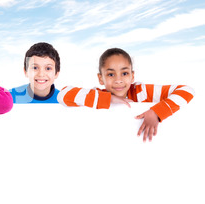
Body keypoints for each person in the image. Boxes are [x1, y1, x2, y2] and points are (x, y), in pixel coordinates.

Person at [57, 48, 195, 142]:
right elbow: (62, 95)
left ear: (132, 75)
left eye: (124, 73)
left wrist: (157, 112)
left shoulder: (141, 91)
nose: (118, 80)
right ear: (100, 78)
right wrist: (108, 98)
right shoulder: (96, 95)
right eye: (111, 74)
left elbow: (187, 91)